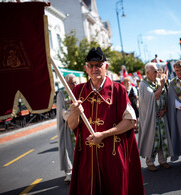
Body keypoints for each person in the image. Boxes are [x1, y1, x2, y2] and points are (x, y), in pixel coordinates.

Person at [67, 47, 144, 195]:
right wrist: (75, 113)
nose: (95, 68)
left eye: (99, 65)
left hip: (113, 155)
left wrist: (103, 135)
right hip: (87, 158)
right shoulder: (77, 91)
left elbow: (131, 122)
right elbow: (72, 125)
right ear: (86, 68)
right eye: (91, 65)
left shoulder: (119, 90)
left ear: (106, 67)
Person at [138, 63, 174, 172]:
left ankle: (163, 160)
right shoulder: (143, 84)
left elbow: (165, 97)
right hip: (151, 118)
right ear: (147, 73)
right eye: (154, 71)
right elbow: (153, 97)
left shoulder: (158, 81)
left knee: (163, 139)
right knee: (152, 140)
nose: (157, 73)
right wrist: (162, 86)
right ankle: (150, 162)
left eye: (157, 71)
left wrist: (165, 109)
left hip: (161, 115)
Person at [56, 74, 77, 182]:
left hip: (79, 124)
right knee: (67, 148)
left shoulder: (78, 91)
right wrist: (71, 114)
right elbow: (61, 111)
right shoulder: (61, 94)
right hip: (67, 126)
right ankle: (69, 172)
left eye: (75, 82)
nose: (75, 85)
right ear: (66, 83)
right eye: (72, 83)